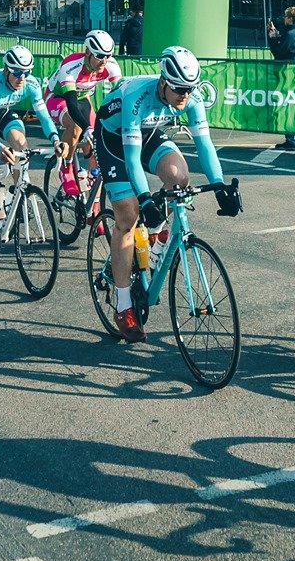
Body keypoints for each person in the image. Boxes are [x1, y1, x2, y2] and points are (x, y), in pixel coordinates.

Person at [94, 47, 242, 343]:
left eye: (189, 89)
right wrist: (146, 198)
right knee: (128, 212)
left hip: (148, 132)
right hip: (115, 138)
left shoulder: (191, 97)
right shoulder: (136, 97)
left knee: (180, 179)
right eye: (178, 89)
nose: (184, 96)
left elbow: (205, 144)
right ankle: (123, 306)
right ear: (163, 81)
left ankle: (157, 240)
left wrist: (219, 186)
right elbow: (132, 160)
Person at [0, 46, 59, 256]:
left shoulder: (31, 83)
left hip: (5, 112)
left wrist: (55, 140)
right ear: (6, 70)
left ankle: (19, 196)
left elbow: (44, 118)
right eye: (17, 73)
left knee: (20, 144)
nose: (22, 78)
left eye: (26, 72)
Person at [46, 30, 122, 181]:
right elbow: (72, 104)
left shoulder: (111, 66)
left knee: (97, 143)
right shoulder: (71, 66)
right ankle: (66, 167)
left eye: (108, 56)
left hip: (83, 97)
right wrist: (87, 127)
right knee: (77, 127)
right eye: (99, 56)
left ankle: (93, 198)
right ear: (87, 52)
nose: (104, 61)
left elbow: (120, 97)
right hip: (58, 97)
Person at [270, 7, 295, 151]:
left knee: (287, 107)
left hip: (287, 74)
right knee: (293, 106)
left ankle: (292, 140)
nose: (284, 18)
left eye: (286, 16)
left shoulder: (291, 34)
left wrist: (273, 38)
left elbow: (279, 52)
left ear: (290, 19)